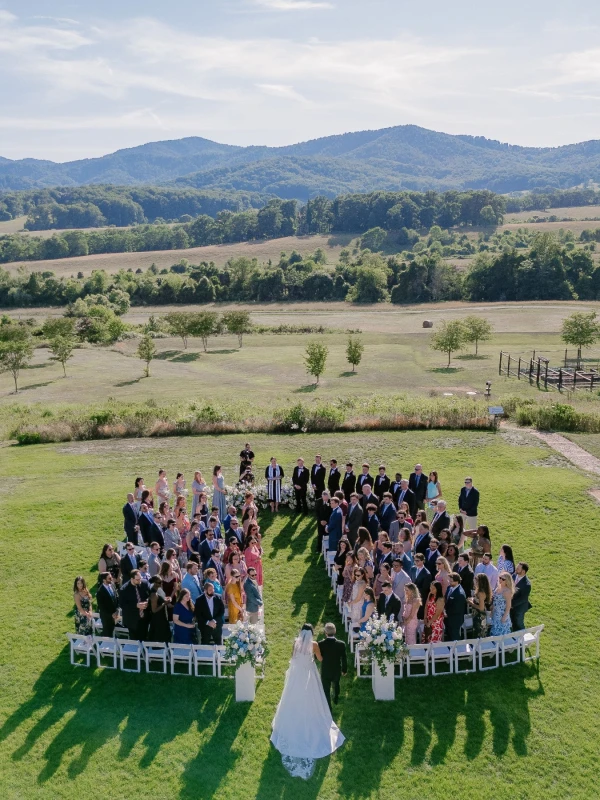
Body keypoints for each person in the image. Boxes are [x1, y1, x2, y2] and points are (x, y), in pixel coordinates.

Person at [271, 624, 345, 780]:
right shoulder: (314, 644)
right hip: (308, 672)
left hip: (297, 673)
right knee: (313, 697)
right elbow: (319, 658)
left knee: (292, 695)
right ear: (311, 633)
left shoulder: (295, 642)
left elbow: (292, 657)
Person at [318, 622, 347, 710]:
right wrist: (344, 670)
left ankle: (328, 707)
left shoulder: (321, 644)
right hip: (336, 669)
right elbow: (344, 658)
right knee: (336, 684)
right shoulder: (341, 644)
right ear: (335, 631)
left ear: (325, 632)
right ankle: (336, 697)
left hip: (325, 669)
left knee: (326, 689)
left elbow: (317, 656)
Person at [119, 569, 149, 640]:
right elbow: (122, 605)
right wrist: (136, 605)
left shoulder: (144, 584)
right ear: (132, 579)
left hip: (144, 617)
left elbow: (149, 595)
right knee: (135, 638)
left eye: (140, 579)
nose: (139, 581)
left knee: (144, 636)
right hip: (132, 619)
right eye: (137, 580)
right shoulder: (124, 589)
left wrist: (147, 602)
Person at [148, 576, 172, 643]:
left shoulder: (157, 590)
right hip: (158, 619)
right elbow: (154, 610)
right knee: (159, 637)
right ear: (154, 583)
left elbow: (160, 600)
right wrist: (164, 603)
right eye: (159, 582)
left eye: (162, 582)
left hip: (162, 617)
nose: (161, 584)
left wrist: (166, 599)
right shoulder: (153, 594)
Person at [444, 572, 467, 641]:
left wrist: (446, 614)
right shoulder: (449, 588)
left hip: (455, 619)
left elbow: (457, 609)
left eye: (451, 581)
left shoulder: (460, 594)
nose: (449, 582)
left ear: (456, 581)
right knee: (448, 635)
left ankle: (456, 650)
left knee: (454, 636)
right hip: (448, 618)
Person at [468, 573, 492, 638]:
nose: (475, 581)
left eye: (476, 580)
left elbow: (481, 608)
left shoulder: (481, 593)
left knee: (479, 633)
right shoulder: (480, 591)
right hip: (476, 615)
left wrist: (471, 603)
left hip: (479, 616)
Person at [97, 572, 119, 637]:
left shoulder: (112, 585)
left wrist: (117, 610)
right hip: (107, 618)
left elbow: (116, 597)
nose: (112, 579)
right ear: (104, 580)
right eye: (109, 578)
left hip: (116, 614)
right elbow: (102, 608)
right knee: (108, 634)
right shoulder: (100, 592)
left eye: (111, 577)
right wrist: (111, 615)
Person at [511, 562, 532, 631]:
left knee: (518, 622)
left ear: (523, 571)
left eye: (518, 568)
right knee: (512, 621)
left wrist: (511, 605)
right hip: (511, 605)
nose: (516, 569)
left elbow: (523, 599)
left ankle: (522, 636)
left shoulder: (527, 584)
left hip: (520, 607)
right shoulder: (513, 576)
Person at [410, 553, 431, 618]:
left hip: (420, 597)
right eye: (415, 560)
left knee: (418, 615)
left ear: (422, 561)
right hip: (412, 596)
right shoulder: (413, 569)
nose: (416, 562)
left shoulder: (427, 574)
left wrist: (414, 592)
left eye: (417, 560)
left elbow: (424, 589)